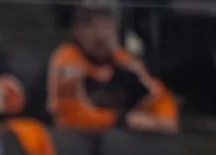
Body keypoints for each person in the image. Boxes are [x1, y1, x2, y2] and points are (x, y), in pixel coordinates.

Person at [47, 0, 176, 135]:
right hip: (79, 141)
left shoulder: (124, 61)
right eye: (88, 23)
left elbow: (160, 98)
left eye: (106, 20)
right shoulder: (67, 60)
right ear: (75, 29)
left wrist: (161, 118)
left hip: (120, 143)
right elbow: (70, 117)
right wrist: (122, 119)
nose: (100, 32)